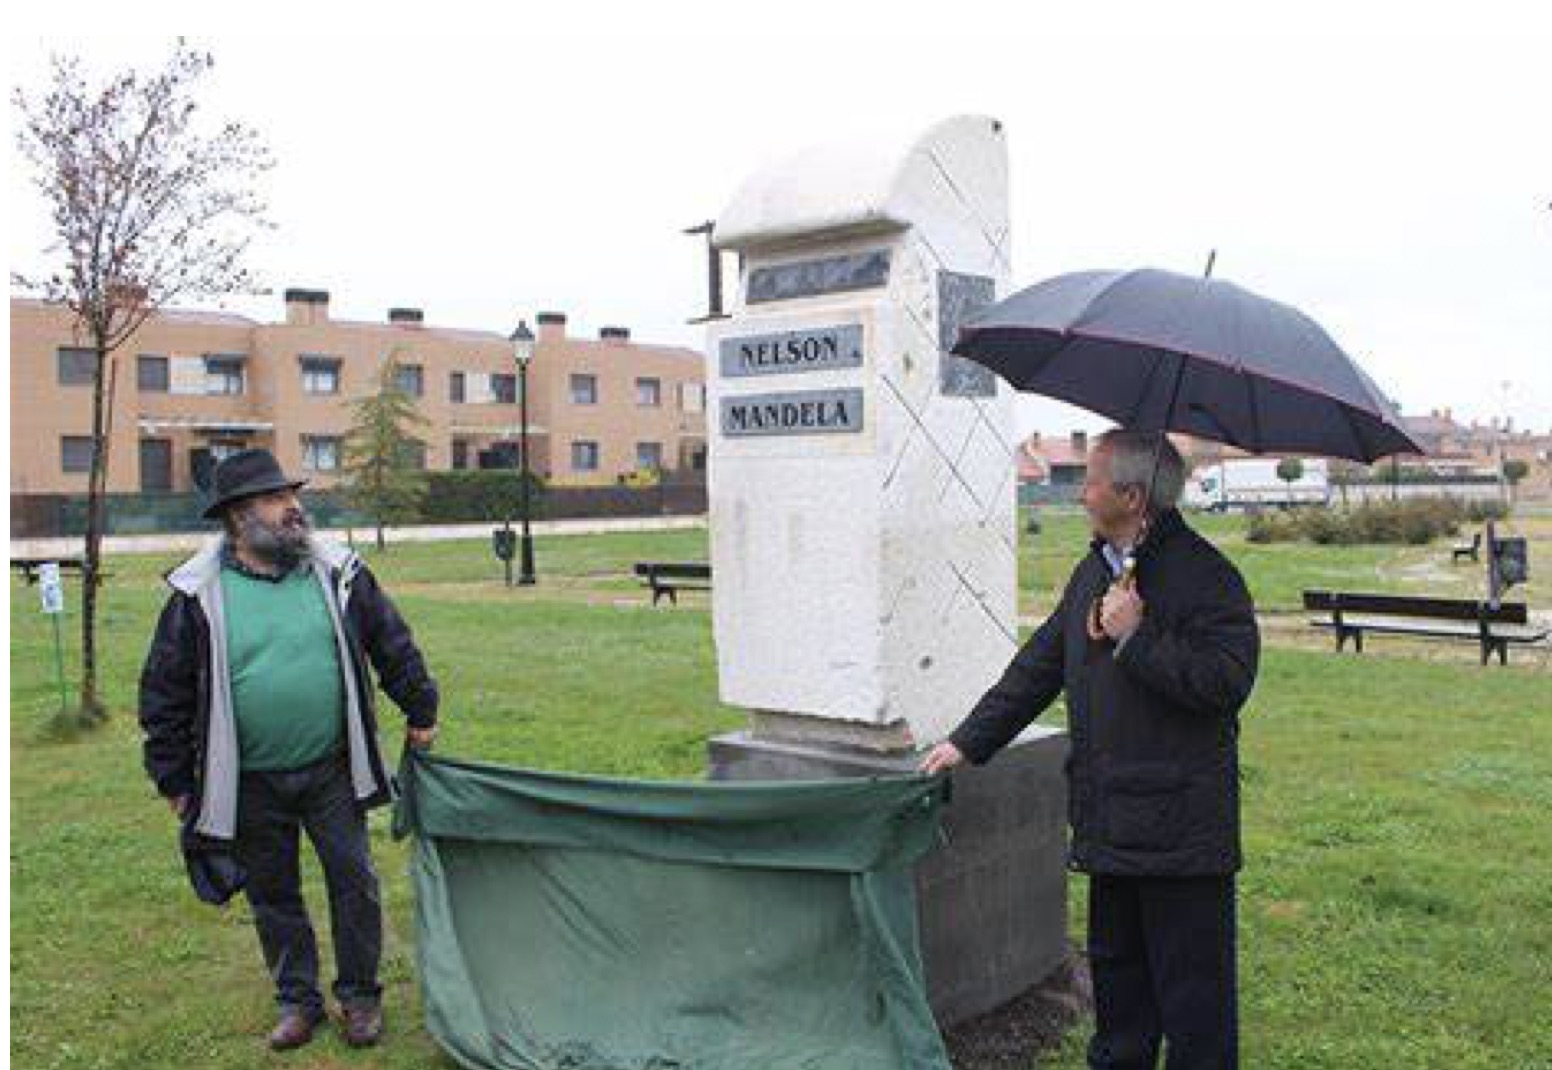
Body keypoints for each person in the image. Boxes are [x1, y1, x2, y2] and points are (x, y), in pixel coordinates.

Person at [921, 429, 1259, 1070]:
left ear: (1131, 496)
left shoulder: (1206, 578)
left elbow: (1226, 683)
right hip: (1110, 819)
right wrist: (968, 741)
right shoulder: (1096, 570)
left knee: (1194, 1003)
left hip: (1181, 833)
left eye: (1093, 480)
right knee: (1120, 989)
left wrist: (1138, 636)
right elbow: (1040, 665)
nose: (1081, 493)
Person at [139, 449, 439, 1051]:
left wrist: (420, 706)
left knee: (354, 879)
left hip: (334, 768)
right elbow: (164, 691)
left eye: (291, 496)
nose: (293, 507)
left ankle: (359, 998)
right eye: (276, 500)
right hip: (248, 779)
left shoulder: (339, 574)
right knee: (273, 894)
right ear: (236, 519)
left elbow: (391, 639)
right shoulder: (197, 594)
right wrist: (174, 780)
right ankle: (298, 1002)